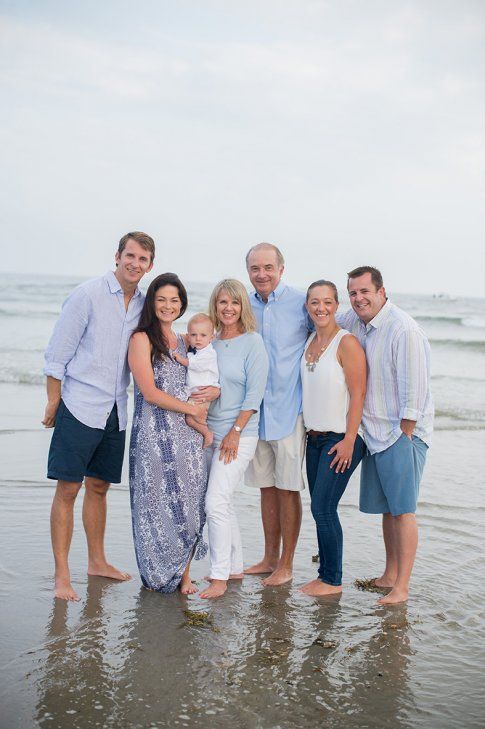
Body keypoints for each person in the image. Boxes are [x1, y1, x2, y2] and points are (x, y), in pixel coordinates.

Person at [43, 231, 155, 601]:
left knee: (100, 487)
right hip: (79, 404)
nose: (135, 264)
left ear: (150, 265)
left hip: (116, 410)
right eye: (130, 256)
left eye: (143, 259)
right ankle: (62, 575)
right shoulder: (87, 295)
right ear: (118, 256)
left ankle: (97, 562)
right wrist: (52, 402)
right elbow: (57, 355)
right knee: (68, 489)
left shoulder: (144, 304)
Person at [338, 266, 434, 604]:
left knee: (403, 509)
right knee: (388, 509)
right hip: (373, 432)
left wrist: (404, 432)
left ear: (381, 292)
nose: (358, 298)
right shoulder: (353, 321)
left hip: (400, 434)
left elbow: (416, 389)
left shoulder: (402, 328)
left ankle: (402, 587)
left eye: (365, 291)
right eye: (353, 293)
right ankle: (389, 574)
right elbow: (320, 315)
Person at [128, 273, 209, 595]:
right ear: (151, 302)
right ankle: (157, 578)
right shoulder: (141, 339)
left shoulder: (184, 340)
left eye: (174, 300)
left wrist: (209, 397)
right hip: (153, 437)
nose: (168, 305)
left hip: (188, 437)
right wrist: (192, 410)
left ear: (182, 304)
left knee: (191, 507)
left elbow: (206, 375)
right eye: (161, 299)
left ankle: (185, 576)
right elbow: (148, 392)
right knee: (154, 508)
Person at [244, 242, 312, 586]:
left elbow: (328, 334)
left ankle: (286, 564)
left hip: (290, 410)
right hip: (256, 413)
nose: (262, 274)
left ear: (281, 269)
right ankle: (269, 557)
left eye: (268, 267)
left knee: (288, 488)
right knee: (266, 488)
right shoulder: (243, 305)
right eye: (255, 268)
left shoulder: (301, 303)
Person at [200, 279, 269, 599]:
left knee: (213, 502)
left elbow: (255, 396)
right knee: (223, 501)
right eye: (222, 302)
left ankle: (219, 577)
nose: (228, 308)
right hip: (209, 432)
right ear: (215, 305)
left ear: (243, 307)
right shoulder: (208, 343)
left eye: (235, 302)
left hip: (239, 435)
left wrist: (234, 432)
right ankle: (235, 567)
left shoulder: (253, 343)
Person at [299, 280, 366, 597]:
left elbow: (358, 393)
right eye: (314, 302)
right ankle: (324, 573)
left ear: (336, 305)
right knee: (318, 507)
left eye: (327, 302)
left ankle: (332, 580)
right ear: (308, 306)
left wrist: (351, 439)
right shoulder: (311, 338)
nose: (320, 308)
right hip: (313, 439)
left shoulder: (347, 343)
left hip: (341, 439)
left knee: (324, 509)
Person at [172, 312, 220, 448]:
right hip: (197, 393)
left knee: (190, 419)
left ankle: (207, 433)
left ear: (212, 337)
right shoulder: (199, 351)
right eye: (193, 335)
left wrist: (181, 359)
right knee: (191, 419)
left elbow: (195, 364)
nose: (198, 339)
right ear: (188, 336)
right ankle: (204, 431)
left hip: (202, 394)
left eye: (203, 335)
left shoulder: (209, 353)